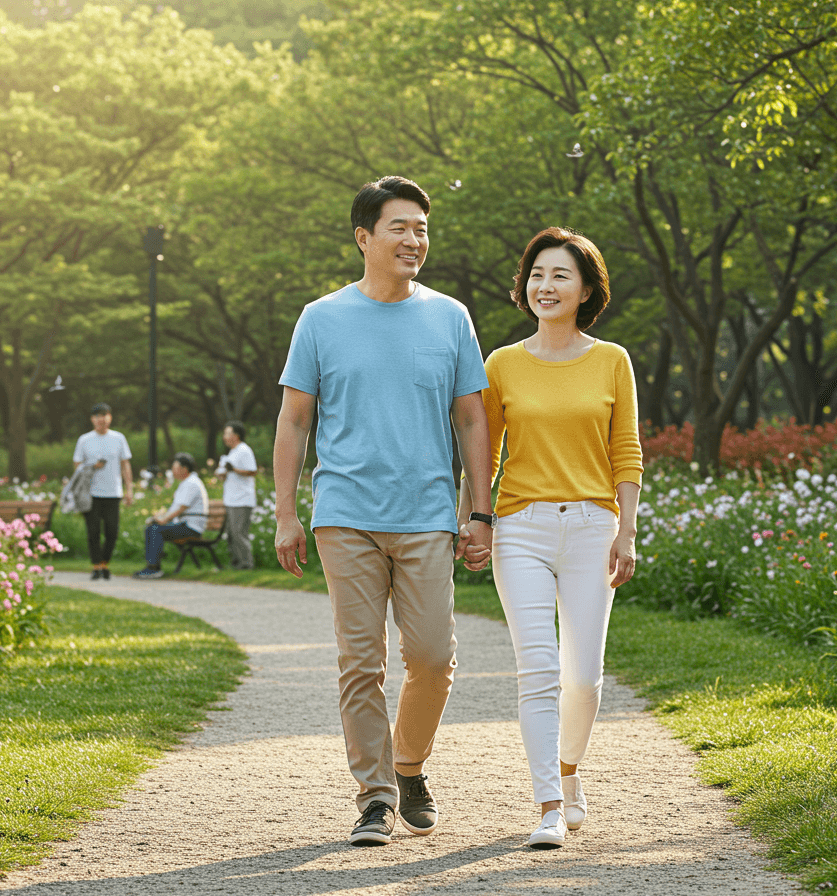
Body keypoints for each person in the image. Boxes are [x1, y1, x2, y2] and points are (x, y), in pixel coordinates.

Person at [272, 176, 494, 846]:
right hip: (345, 513)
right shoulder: (322, 318)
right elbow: (293, 421)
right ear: (364, 236)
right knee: (360, 662)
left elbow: (472, 420)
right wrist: (286, 512)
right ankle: (374, 798)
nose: (414, 239)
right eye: (400, 227)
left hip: (426, 513)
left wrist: (478, 510)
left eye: (422, 228)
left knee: (432, 657)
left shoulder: (449, 317)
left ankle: (409, 766)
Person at [458, 227, 642, 849]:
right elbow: (482, 454)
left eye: (561, 275)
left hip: (595, 529)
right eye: (537, 274)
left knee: (583, 678)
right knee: (537, 668)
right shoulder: (502, 363)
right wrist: (476, 520)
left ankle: (568, 769)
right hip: (521, 529)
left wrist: (628, 531)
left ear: (587, 288)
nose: (546, 286)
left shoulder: (612, 359)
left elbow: (626, 451)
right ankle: (548, 805)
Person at [72, 402, 133, 580]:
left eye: (105, 415)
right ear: (92, 419)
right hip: (90, 493)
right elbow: (77, 465)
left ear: (110, 418)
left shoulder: (119, 438)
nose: (101, 419)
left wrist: (129, 489)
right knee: (93, 531)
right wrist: (92, 466)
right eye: (98, 416)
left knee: (112, 531)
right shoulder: (84, 440)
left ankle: (105, 562)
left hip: (113, 492)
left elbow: (125, 464)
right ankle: (96, 565)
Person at [134, 452, 209, 580]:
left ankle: (153, 569)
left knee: (154, 530)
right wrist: (160, 517)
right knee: (153, 527)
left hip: (191, 528)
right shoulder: (187, 482)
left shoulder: (191, 483)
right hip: (185, 525)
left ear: (184, 469)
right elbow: (176, 508)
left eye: (175, 468)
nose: (172, 471)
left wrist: (164, 519)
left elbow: (181, 508)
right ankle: (153, 565)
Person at [218, 421, 258, 570]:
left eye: (227, 433)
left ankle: (247, 564)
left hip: (242, 500)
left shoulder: (244, 450)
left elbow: (252, 471)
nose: (225, 437)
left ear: (236, 435)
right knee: (231, 534)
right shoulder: (232, 452)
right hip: (231, 500)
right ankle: (236, 563)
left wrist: (234, 469)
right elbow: (227, 473)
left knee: (239, 534)